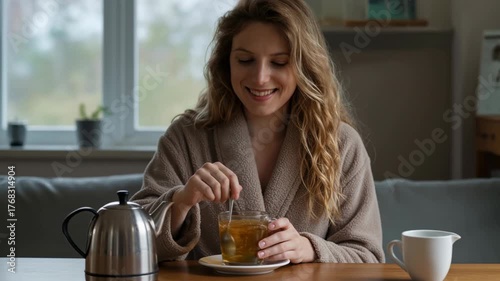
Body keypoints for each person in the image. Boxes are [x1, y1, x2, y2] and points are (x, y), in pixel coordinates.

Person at [131, 0, 384, 264]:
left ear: (303, 67)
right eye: (246, 60)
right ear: (226, 63)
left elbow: (368, 256)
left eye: (279, 62)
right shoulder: (185, 137)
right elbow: (135, 241)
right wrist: (181, 202)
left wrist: (308, 248)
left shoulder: (340, 144)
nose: (260, 77)